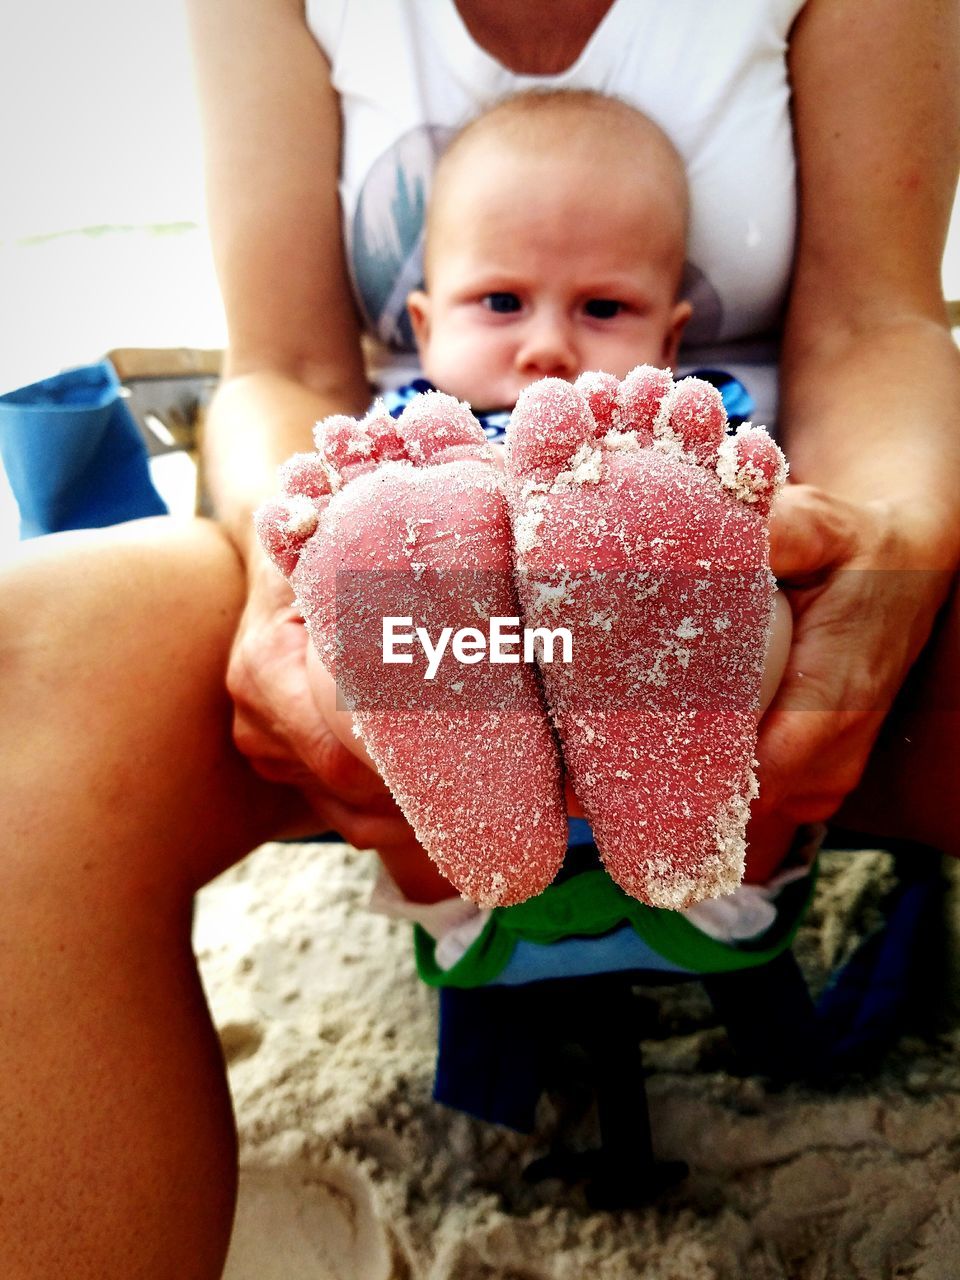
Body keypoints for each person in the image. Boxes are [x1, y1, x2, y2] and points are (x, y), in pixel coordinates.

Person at [0, 0, 957, 1273]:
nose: (552, 345)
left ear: (675, 332)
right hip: (450, 677)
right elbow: (280, 362)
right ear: (419, 314)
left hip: (726, 668)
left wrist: (876, 544)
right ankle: (452, 745)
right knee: (62, 657)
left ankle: (659, 688)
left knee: (746, 592)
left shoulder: (693, 432)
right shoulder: (410, 452)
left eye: (605, 309)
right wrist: (293, 572)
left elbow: (876, 323)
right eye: (501, 299)